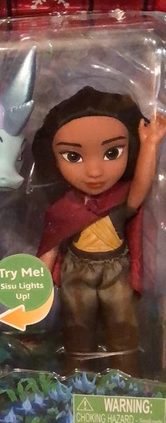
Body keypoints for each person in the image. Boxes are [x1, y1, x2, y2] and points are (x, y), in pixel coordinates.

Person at [32, 87, 166, 376]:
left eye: (112, 152)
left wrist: (150, 143)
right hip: (76, 270)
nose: (94, 172)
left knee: (123, 325)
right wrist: (35, 284)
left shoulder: (119, 200)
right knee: (77, 326)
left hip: (116, 268)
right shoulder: (64, 208)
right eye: (73, 156)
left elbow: (140, 188)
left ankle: (126, 376)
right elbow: (52, 243)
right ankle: (76, 375)